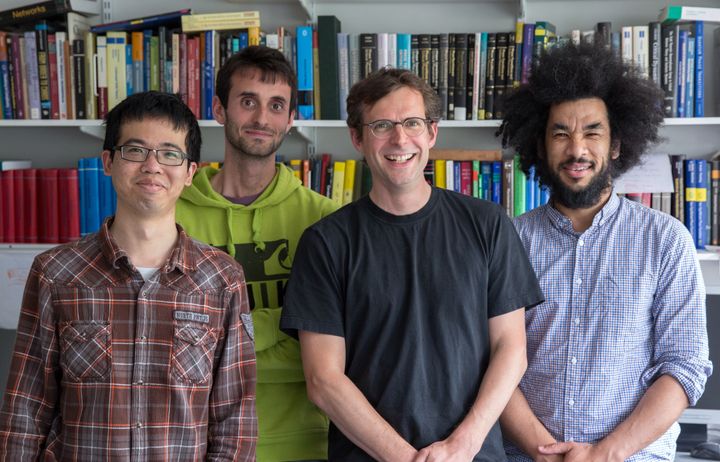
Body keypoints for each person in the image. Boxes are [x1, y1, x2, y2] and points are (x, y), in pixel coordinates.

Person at [280, 67, 544, 461]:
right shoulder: (326, 243)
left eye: (412, 123)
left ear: (432, 133)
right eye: (382, 125)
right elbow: (324, 380)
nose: (399, 138)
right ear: (357, 138)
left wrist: (462, 445)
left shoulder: (487, 224)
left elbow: (511, 350)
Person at [0, 91, 257, 460]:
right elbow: (26, 409)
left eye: (170, 153)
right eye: (135, 151)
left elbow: (235, 421)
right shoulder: (56, 273)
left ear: (189, 173)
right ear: (108, 161)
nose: (152, 166)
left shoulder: (222, 280)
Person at [497, 42, 713, 461]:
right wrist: (541, 451)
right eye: (561, 133)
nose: (577, 149)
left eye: (592, 132)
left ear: (616, 144)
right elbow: (490, 363)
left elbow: (684, 366)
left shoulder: (666, 240)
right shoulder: (509, 241)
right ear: (539, 146)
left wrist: (605, 453)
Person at [175, 45, 338, 461]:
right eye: (248, 101)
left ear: (290, 119)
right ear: (219, 109)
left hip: (305, 444)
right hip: (196, 443)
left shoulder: (327, 220)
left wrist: (220, 335)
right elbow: (168, 343)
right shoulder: (171, 218)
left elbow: (336, 351)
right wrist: (286, 327)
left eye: (276, 105)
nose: (262, 118)